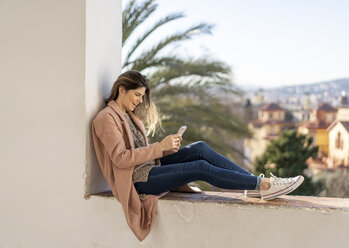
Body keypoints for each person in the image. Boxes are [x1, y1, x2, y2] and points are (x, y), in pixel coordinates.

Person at [91, 70, 304, 241]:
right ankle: (264, 186)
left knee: (199, 148)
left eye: (142, 96)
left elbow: (141, 153)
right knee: (200, 167)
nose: (140, 101)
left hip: (149, 167)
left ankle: (254, 185)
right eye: (137, 95)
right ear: (121, 90)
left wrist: (167, 148)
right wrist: (159, 147)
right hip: (136, 180)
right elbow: (120, 159)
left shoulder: (128, 115)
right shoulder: (106, 118)